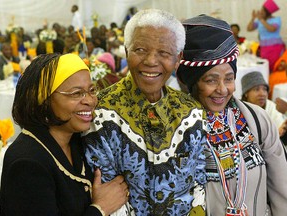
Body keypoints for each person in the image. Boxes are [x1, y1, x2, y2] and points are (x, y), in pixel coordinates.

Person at [84, 9, 206, 215]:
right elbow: (108, 196)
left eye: (164, 53)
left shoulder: (191, 112)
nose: (151, 61)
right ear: (126, 51)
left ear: (178, 59)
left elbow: (199, 184)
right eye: (140, 49)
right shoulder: (101, 114)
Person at [177, 14, 287, 215]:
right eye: (211, 80)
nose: (222, 89)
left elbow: (282, 191)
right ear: (192, 83)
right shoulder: (178, 130)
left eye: (229, 79)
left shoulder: (257, 120)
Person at [0, 53, 129, 216]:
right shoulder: (27, 162)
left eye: (91, 90)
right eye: (76, 93)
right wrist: (100, 209)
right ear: (45, 100)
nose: (90, 101)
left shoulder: (79, 140)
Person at [241, 71, 287, 138]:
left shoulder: (271, 107)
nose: (262, 94)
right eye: (256, 89)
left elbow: (280, 127)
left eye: (265, 89)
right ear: (246, 93)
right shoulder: (239, 110)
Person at [247, 0, 285, 72]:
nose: (260, 12)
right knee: (266, 68)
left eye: (262, 10)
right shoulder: (260, 21)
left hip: (275, 48)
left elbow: (272, 29)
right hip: (264, 49)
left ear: (267, 12)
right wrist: (253, 18)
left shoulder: (276, 19)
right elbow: (249, 29)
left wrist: (261, 19)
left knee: (275, 68)